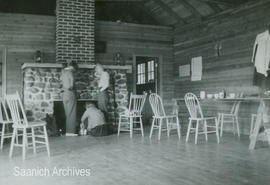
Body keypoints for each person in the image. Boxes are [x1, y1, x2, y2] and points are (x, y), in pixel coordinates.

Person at [61, 61, 78, 136]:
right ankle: (71, 132)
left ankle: (68, 131)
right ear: (73, 67)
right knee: (72, 113)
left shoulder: (63, 72)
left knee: (67, 114)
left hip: (64, 94)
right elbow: (71, 85)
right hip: (70, 93)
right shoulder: (70, 73)